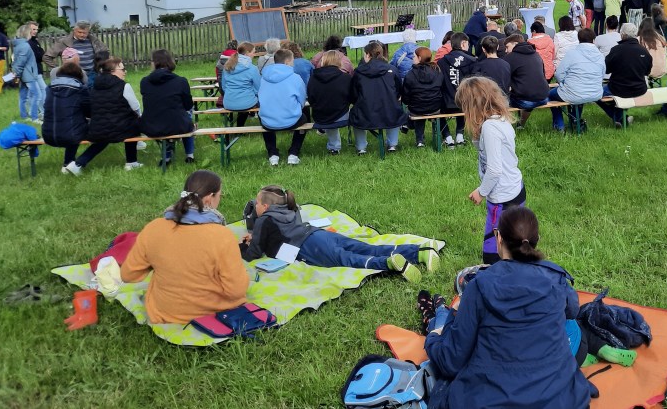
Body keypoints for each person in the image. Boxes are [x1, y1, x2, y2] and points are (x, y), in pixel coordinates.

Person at [422, 206, 593, 409]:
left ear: (499, 238)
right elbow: (572, 312)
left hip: (491, 400)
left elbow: (452, 361)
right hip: (562, 399)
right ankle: (439, 315)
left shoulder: (480, 286)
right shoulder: (556, 279)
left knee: (448, 338)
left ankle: (436, 318)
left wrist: (432, 339)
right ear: (536, 239)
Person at [120, 170, 249, 324]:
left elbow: (128, 275)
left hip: (164, 311)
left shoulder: (154, 228)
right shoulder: (222, 236)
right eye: (220, 195)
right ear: (209, 198)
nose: (220, 199)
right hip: (214, 315)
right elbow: (236, 290)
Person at [240, 185, 437, 282]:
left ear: (264, 206)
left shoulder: (264, 220)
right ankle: (420, 251)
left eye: (257, 203)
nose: (255, 206)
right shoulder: (292, 209)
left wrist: (243, 246)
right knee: (366, 247)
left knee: (349, 259)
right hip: (319, 234)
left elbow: (254, 253)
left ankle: (388, 263)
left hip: (309, 248)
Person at [453, 76, 526, 264]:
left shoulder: (490, 128)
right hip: (514, 188)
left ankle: (495, 272)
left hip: (501, 197)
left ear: (472, 107)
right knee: (514, 237)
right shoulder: (500, 120)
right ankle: (516, 265)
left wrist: (481, 191)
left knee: (494, 246)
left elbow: (494, 169)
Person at [62, 57, 142, 175]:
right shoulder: (124, 86)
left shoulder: (95, 87)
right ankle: (131, 162)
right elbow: (136, 107)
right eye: (122, 69)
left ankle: (77, 163)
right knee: (134, 126)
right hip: (120, 128)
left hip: (98, 128)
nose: (125, 71)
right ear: (112, 71)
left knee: (103, 139)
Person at [140, 49, 196, 166]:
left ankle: (166, 157)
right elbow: (188, 105)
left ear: (154, 63)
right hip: (177, 125)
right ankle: (190, 155)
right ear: (170, 62)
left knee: (165, 113)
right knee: (187, 115)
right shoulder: (181, 81)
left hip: (151, 126)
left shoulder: (144, 82)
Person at [350, 40, 406, 155]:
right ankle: (392, 144)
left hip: (365, 112)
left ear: (367, 54)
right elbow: (398, 90)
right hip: (389, 110)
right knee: (394, 108)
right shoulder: (392, 69)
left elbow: (353, 94)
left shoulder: (358, 72)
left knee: (355, 113)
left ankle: (361, 147)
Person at [258, 48, 309, 166]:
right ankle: (294, 153)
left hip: (268, 120)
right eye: (292, 61)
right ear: (287, 62)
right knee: (305, 116)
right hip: (292, 120)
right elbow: (302, 100)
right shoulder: (295, 77)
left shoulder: (263, 77)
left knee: (263, 116)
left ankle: (272, 154)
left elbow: (260, 96)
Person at [549, 28, 604, 132]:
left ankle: (559, 125)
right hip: (595, 92)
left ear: (579, 39)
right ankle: (575, 120)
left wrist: (563, 83)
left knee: (550, 95)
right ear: (593, 40)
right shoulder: (600, 55)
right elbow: (602, 74)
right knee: (578, 95)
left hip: (575, 92)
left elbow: (559, 74)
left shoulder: (572, 53)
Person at [597, 23, 651, 127]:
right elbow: (647, 71)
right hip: (639, 88)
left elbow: (606, 69)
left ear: (622, 35)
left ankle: (619, 117)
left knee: (594, 94)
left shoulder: (616, 50)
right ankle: (621, 118)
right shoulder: (644, 51)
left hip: (618, 88)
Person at [42, 61, 91, 169]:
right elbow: (89, 112)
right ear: (79, 75)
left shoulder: (49, 88)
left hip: (48, 134)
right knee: (96, 130)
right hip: (70, 135)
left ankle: (68, 163)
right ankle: (75, 163)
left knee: (71, 124)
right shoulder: (80, 89)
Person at [307, 49, 352, 155]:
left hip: (319, 115)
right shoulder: (346, 78)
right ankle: (360, 146)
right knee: (340, 111)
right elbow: (352, 97)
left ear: (322, 61)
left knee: (329, 112)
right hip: (341, 115)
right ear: (339, 62)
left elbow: (310, 98)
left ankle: (334, 147)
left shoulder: (313, 78)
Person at [402, 47, 447, 149]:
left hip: (417, 108)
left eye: (414, 56)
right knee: (420, 107)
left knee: (416, 109)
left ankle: (420, 140)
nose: (412, 58)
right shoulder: (438, 71)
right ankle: (410, 127)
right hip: (436, 106)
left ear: (419, 57)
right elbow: (442, 88)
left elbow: (405, 96)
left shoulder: (410, 74)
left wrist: (409, 103)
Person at [502, 33, 550, 128]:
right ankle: (521, 125)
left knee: (500, 100)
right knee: (527, 96)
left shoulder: (510, 58)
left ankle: (506, 127)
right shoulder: (536, 55)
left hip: (525, 100)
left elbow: (503, 79)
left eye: (507, 47)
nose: (506, 50)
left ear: (515, 44)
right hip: (544, 97)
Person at [43, 20, 107, 87]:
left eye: (85, 33)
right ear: (74, 30)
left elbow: (105, 52)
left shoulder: (94, 40)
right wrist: (60, 68)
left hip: (92, 73)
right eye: (79, 32)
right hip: (75, 75)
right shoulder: (64, 42)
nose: (82, 35)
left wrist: (100, 66)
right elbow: (46, 57)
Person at [438, 32, 476, 145]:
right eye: (468, 44)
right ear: (463, 44)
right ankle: (460, 135)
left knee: (436, 108)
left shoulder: (441, 62)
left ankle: (448, 137)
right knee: (465, 99)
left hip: (446, 103)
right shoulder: (472, 60)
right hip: (465, 103)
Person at [221, 42, 261, 127]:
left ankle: (239, 128)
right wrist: (252, 93)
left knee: (244, 101)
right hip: (247, 102)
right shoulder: (252, 69)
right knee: (259, 101)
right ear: (247, 53)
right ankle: (267, 124)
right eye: (253, 52)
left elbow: (224, 87)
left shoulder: (227, 66)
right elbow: (259, 88)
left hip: (228, 102)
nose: (254, 54)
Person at [11, 23, 45, 122]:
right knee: (37, 95)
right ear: (27, 33)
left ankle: (24, 116)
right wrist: (16, 74)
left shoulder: (19, 44)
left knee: (23, 96)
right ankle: (34, 117)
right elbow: (20, 62)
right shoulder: (25, 46)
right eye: (31, 31)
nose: (33, 33)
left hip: (24, 74)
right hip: (28, 75)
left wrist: (16, 74)